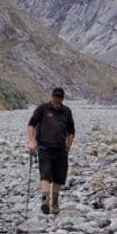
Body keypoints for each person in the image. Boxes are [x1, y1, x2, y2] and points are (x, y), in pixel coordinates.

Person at [27, 87, 75, 215]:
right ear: (52, 96)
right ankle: (45, 200)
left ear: (62, 98)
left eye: (59, 97)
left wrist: (68, 145)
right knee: (45, 174)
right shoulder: (42, 109)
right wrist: (32, 141)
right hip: (44, 147)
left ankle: (54, 202)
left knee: (59, 178)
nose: (57, 100)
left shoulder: (66, 112)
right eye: (55, 97)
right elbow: (31, 124)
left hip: (60, 149)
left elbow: (71, 131)